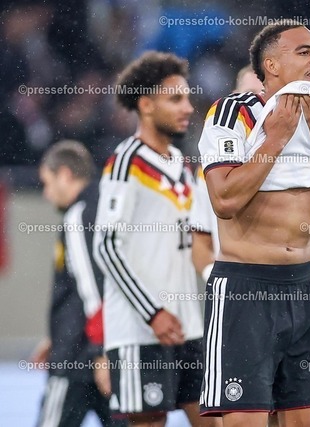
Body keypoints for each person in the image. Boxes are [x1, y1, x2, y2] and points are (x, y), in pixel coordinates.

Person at [197, 20, 310, 427]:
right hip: (245, 287)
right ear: (271, 65)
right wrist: (275, 138)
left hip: (304, 286)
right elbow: (225, 200)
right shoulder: (233, 112)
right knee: (246, 422)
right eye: (304, 51)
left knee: (307, 420)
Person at [93, 51, 212, 427]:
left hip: (188, 327)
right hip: (141, 331)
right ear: (145, 105)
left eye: (187, 98)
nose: (188, 107)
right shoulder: (126, 161)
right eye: (175, 98)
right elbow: (106, 247)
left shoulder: (183, 164)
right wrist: (153, 312)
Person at [33, 140, 125, 427]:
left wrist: (100, 352)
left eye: (47, 183)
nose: (46, 194)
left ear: (64, 174)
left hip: (79, 360)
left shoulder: (78, 215)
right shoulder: (107, 205)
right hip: (111, 350)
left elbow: (93, 289)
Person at [191, 65, 263, 281]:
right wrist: (217, 281)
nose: (254, 105)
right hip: (234, 284)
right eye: (248, 95)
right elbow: (200, 242)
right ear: (234, 97)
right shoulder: (209, 171)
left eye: (262, 97)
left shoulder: (295, 157)